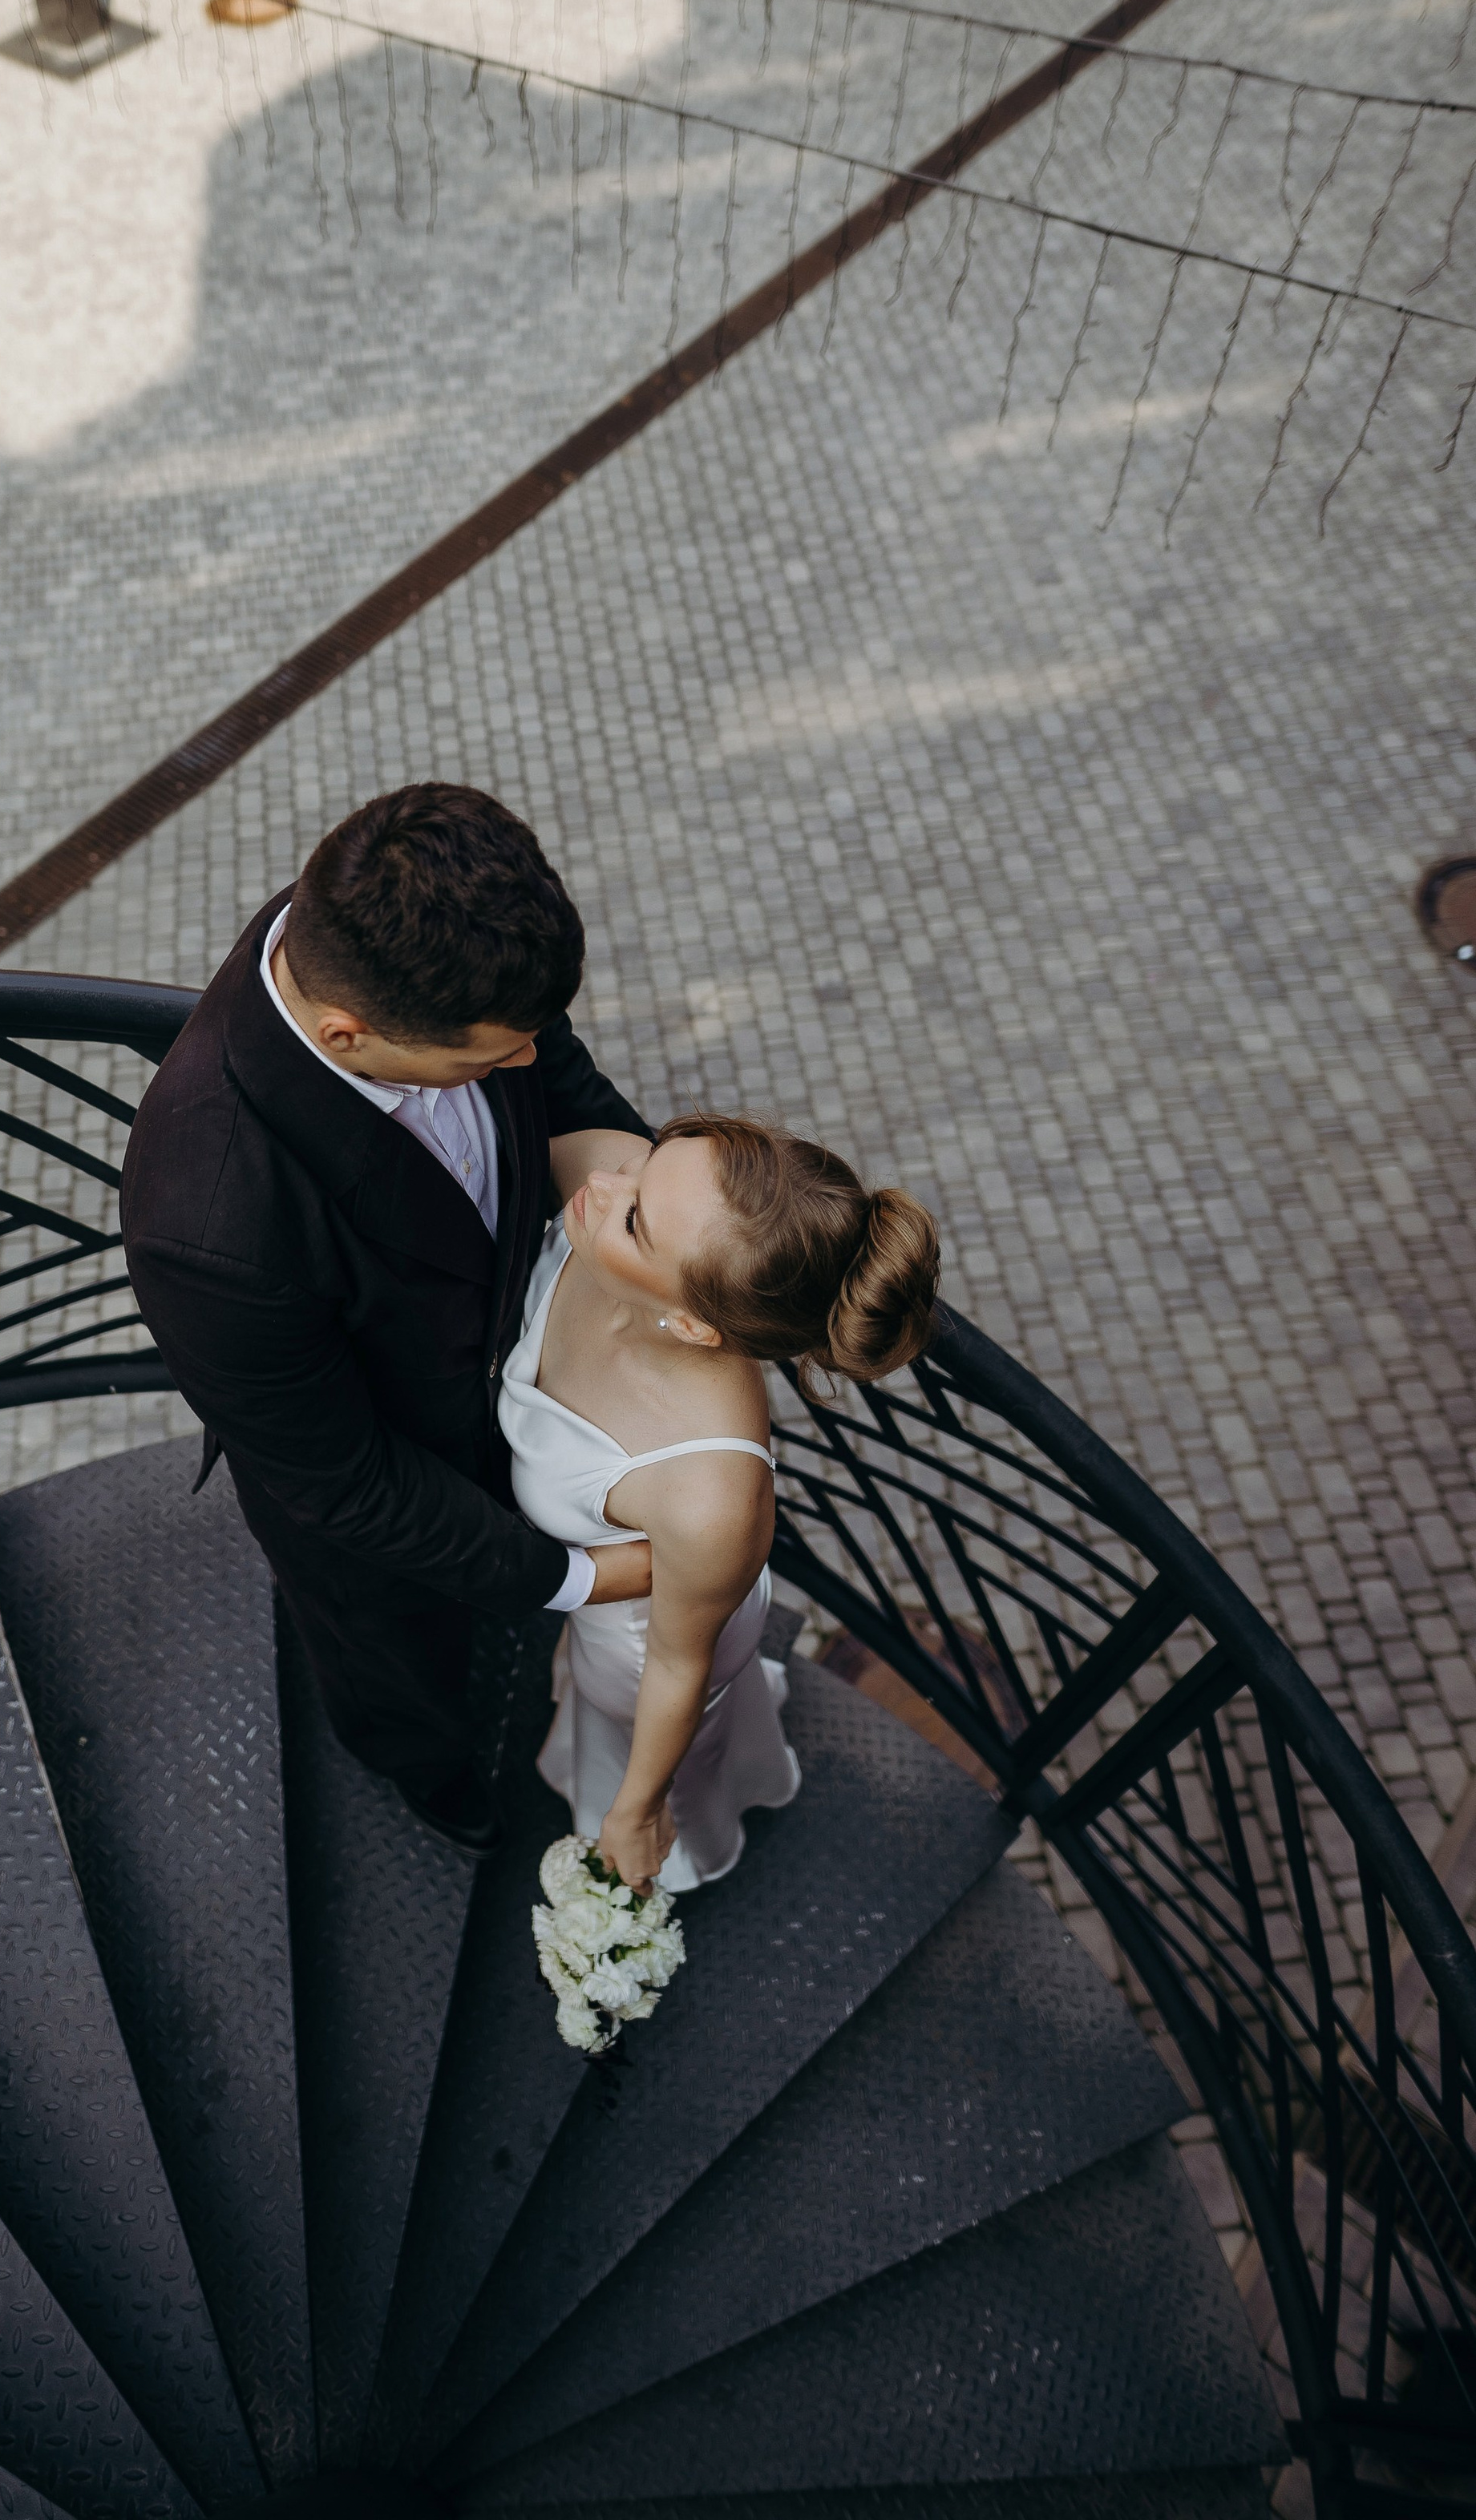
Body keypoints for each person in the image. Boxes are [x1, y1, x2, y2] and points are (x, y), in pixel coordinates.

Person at [120, 785, 656, 1855]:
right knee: (398, 1669)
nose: (518, 1065)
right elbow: (346, 1483)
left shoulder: (400, 936)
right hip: (380, 1494)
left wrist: (668, 1212)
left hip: (512, 1394)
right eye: (480, 1062)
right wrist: (579, 1577)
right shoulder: (212, 1220)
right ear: (345, 1034)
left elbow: (561, 1084)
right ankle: (441, 1795)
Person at [503, 1115, 940, 1890]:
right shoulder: (613, 1185)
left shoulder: (710, 1497)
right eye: (650, 1165)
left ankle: (695, 1845)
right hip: (610, 1605)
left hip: (645, 1655)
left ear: (693, 1326)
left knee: (651, 1757)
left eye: (635, 1220)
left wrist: (636, 1814)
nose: (605, 1183)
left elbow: (678, 1665)